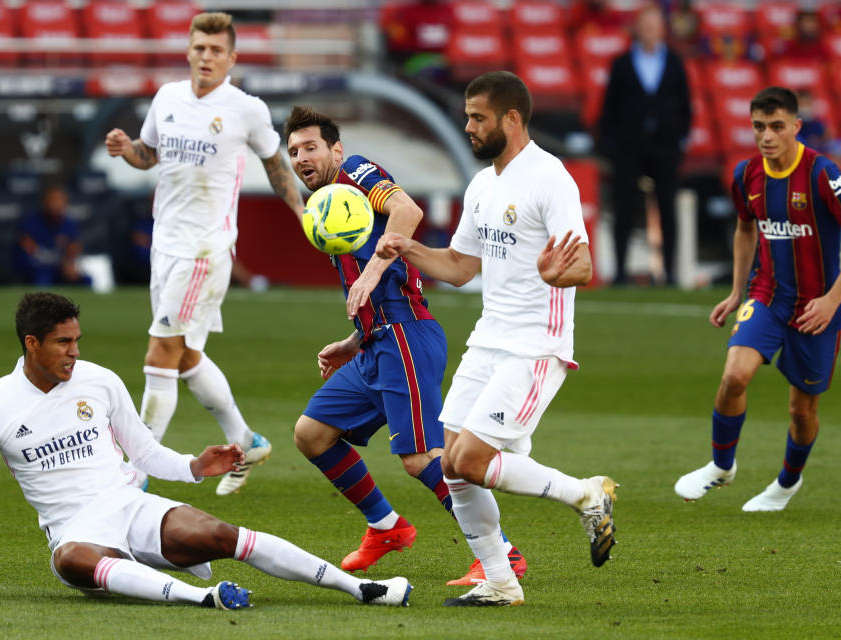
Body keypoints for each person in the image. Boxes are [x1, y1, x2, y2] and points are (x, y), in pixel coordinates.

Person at [0, 292, 412, 608]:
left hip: (130, 506)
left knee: (220, 534)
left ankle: (358, 589)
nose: (76, 353)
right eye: (63, 344)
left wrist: (193, 466)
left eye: (77, 341)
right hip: (75, 529)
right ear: (31, 343)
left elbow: (143, 453)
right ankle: (203, 597)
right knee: (72, 559)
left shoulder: (98, 381)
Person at [377, 71, 617, 607]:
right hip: (489, 339)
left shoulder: (549, 177)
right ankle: (501, 582)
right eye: (466, 116)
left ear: (512, 118)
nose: (468, 127)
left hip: (537, 344)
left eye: (478, 118)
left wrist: (560, 275)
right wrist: (407, 248)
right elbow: (461, 267)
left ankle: (585, 495)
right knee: (450, 465)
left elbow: (581, 265)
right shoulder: (483, 184)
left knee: (467, 461)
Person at [283, 105, 527, 586]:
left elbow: (408, 210)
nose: (301, 158)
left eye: (310, 147)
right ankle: (386, 527)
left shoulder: (356, 173)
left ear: (336, 149)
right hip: (376, 342)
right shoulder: (328, 202)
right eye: (293, 151)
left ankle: (501, 553)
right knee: (311, 434)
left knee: (421, 458)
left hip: (406, 336)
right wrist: (354, 340)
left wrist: (373, 268)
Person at [104, 12, 304, 496]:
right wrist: (125, 147)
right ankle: (245, 441)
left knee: (160, 353)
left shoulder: (245, 109)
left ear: (232, 59)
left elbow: (275, 162)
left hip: (204, 248)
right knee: (187, 354)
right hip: (165, 242)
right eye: (199, 48)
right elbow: (149, 156)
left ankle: (136, 471)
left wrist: (302, 211)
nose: (206, 57)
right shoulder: (167, 98)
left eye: (216, 50)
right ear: (188, 52)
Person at [674, 87, 841, 512]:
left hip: (817, 304)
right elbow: (745, 229)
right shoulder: (746, 174)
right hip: (767, 292)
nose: (767, 136)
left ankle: (786, 484)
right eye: (759, 127)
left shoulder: (824, 174)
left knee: (801, 412)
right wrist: (735, 292)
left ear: (796, 127)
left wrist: (832, 301)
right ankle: (721, 466)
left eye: (776, 126)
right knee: (733, 377)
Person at [597, 4, 691, 285]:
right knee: (624, 207)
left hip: (665, 147)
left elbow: (685, 106)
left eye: (655, 26)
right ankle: (620, 271)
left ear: (662, 29)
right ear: (637, 29)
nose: (650, 31)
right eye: (646, 26)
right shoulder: (621, 63)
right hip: (628, 147)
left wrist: (679, 139)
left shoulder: (675, 62)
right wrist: (612, 143)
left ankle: (670, 273)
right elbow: (609, 107)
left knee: (666, 210)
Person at [15, 184, 91, 287]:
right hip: (38, 268)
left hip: (59, 269)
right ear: (44, 202)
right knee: (42, 280)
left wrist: (70, 265)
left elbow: (73, 250)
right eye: (52, 200)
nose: (55, 204)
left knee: (86, 280)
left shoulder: (70, 224)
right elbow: (27, 251)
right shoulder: (31, 222)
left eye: (59, 200)